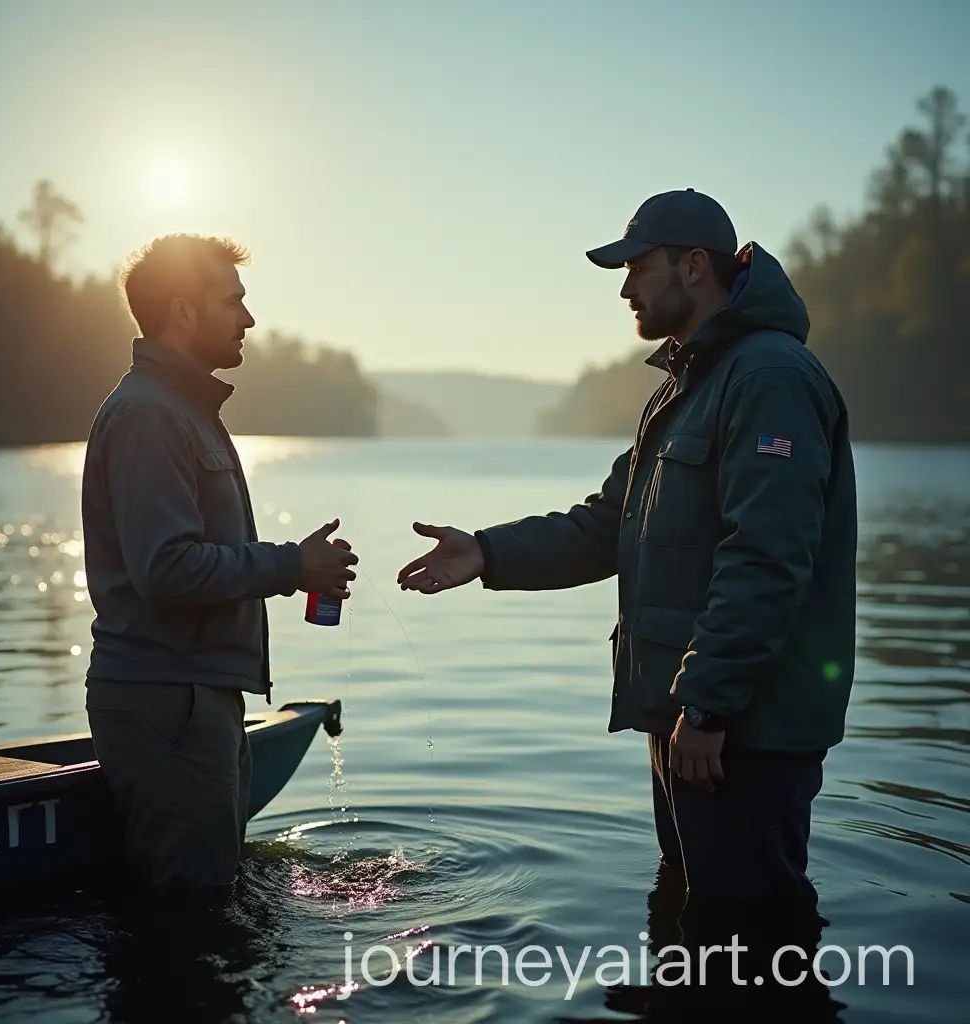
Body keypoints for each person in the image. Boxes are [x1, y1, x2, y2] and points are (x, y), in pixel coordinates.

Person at [397, 189, 857, 917]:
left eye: (638, 268)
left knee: (750, 940)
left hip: (741, 728)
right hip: (691, 719)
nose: (624, 287)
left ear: (694, 266)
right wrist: (486, 553)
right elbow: (608, 525)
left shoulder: (769, 379)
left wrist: (708, 705)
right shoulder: (684, 388)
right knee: (689, 922)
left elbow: (766, 559)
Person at [81, 233, 359, 894]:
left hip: (196, 697)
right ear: (183, 311)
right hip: (169, 703)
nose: (248, 318)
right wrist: (292, 566)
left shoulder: (182, 409)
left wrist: (294, 568)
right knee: (188, 917)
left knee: (214, 907)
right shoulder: (150, 415)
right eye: (232, 301)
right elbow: (167, 570)